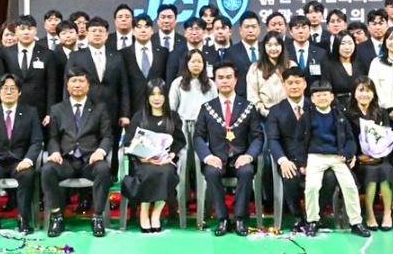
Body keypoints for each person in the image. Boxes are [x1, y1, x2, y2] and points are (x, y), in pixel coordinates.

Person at [42, 68, 115, 238]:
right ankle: (57, 216)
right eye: (73, 81)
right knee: (47, 170)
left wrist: (100, 151)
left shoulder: (99, 108)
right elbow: (52, 137)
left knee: (104, 170)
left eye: (81, 81)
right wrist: (54, 151)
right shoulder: (57, 109)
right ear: (67, 86)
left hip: (90, 160)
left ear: (88, 85)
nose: (77, 85)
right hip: (66, 160)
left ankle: (97, 217)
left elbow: (107, 136)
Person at [295, 82, 372, 237]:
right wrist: (302, 163)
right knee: (312, 187)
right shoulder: (307, 117)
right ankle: (312, 221)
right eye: (318, 95)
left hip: (337, 156)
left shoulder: (340, 115)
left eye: (325, 94)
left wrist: (348, 153)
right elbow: (299, 141)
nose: (322, 98)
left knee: (350, 186)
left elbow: (350, 139)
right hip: (315, 156)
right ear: (312, 99)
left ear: (331, 97)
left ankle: (356, 222)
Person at [192, 61, 260, 237]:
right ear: (214, 81)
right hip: (216, 158)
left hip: (240, 158)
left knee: (246, 171)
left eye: (229, 77)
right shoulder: (207, 108)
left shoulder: (248, 106)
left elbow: (258, 137)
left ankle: (239, 218)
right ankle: (222, 218)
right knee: (211, 172)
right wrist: (208, 157)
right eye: (220, 78)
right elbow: (198, 137)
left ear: (236, 80)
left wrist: (249, 156)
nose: (225, 81)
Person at [0, 74, 43, 235]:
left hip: (19, 162)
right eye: (5, 88)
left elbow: (37, 141)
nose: (8, 92)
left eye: (13, 88)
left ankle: (23, 218)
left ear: (19, 92)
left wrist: (28, 160)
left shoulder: (30, 112)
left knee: (27, 175)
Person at [122, 79, 186, 233]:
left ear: (165, 96)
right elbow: (128, 142)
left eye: (160, 94)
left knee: (166, 172)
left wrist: (171, 155)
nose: (156, 98)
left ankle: (156, 213)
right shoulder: (139, 117)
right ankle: (144, 211)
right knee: (149, 172)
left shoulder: (173, 117)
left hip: (164, 161)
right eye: (152, 94)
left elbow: (179, 141)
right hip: (143, 162)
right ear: (147, 97)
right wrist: (141, 157)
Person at [345, 77, 393, 231]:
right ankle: (370, 214)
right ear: (354, 93)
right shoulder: (347, 114)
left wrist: (380, 154)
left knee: (385, 170)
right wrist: (358, 157)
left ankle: (387, 214)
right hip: (359, 160)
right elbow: (347, 138)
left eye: (368, 91)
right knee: (371, 172)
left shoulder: (381, 112)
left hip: (381, 157)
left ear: (374, 94)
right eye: (361, 90)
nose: (365, 94)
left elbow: (387, 135)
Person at [264, 68, 312, 232]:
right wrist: (282, 160)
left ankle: (315, 216)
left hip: (314, 159)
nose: (294, 86)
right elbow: (273, 140)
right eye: (290, 83)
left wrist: (311, 163)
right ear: (284, 85)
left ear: (304, 84)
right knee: (290, 175)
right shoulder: (275, 111)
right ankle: (298, 217)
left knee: (329, 177)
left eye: (298, 82)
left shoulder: (314, 107)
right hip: (288, 159)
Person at [67, 17, 130, 130]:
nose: (97, 34)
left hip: (112, 113)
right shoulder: (76, 56)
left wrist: (125, 114)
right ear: (87, 33)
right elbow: (67, 86)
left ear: (106, 35)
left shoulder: (117, 56)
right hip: (84, 112)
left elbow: (124, 87)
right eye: (93, 31)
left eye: (101, 31)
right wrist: (68, 112)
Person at [0, 14, 53, 119]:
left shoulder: (47, 54)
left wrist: (49, 113)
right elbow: (0, 82)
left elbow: (52, 85)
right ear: (16, 31)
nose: (26, 32)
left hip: (39, 110)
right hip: (12, 108)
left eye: (30, 29)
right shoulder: (6, 53)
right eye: (22, 29)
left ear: (35, 30)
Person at [123, 15, 169, 113]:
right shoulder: (124, 54)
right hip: (133, 109)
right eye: (139, 27)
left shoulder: (163, 52)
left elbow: (166, 80)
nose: (143, 30)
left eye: (146, 27)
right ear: (133, 31)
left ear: (152, 31)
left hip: (158, 108)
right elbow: (123, 86)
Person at [168, 49, 217, 123]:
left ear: (204, 65)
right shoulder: (177, 83)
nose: (196, 65)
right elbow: (172, 108)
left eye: (199, 62)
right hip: (182, 125)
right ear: (187, 63)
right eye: (193, 61)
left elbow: (215, 107)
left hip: (205, 125)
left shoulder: (211, 84)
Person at [247, 32, 289, 115]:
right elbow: (252, 95)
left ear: (282, 46)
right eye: (269, 45)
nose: (273, 48)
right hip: (264, 113)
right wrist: (264, 111)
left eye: (277, 45)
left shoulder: (291, 65)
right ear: (264, 47)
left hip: (287, 113)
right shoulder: (255, 68)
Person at [323, 32, 364, 106]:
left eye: (350, 43)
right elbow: (327, 91)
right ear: (336, 45)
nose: (347, 47)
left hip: (359, 105)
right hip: (337, 106)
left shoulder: (360, 64)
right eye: (343, 43)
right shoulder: (329, 66)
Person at [223, 11, 264, 78]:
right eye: (247, 27)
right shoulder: (230, 52)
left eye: (254, 27)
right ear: (240, 30)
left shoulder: (266, 49)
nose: (250, 30)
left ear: (259, 29)